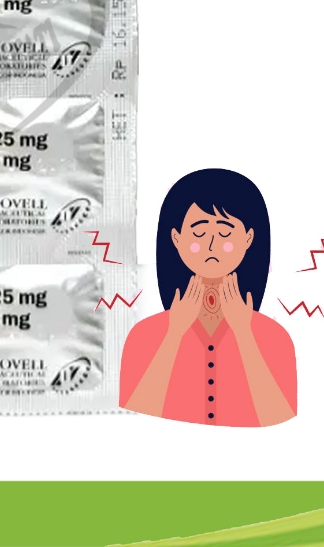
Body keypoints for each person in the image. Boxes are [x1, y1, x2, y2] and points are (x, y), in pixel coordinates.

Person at [119, 169, 296, 426]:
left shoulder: (274, 338)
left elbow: (281, 418)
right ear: (176, 239)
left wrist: (244, 334)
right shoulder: (144, 336)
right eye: (199, 234)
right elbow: (134, 416)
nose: (211, 245)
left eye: (225, 234)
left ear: (248, 239)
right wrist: (174, 334)